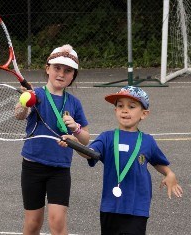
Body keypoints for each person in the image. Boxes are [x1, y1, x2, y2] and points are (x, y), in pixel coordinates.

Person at [81, 86, 183, 234]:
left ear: (144, 114)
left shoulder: (147, 141)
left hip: (137, 209)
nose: (125, 110)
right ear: (115, 110)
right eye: (120, 105)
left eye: (132, 106)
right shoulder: (107, 137)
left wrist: (170, 174)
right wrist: (74, 144)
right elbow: (89, 153)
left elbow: (159, 163)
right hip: (110, 207)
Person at [13, 44, 90, 235]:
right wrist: (24, 100)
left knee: (57, 223)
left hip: (60, 169)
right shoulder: (36, 95)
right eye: (57, 68)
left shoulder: (74, 103)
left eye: (68, 70)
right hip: (33, 167)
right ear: (47, 68)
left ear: (73, 76)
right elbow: (19, 115)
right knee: (32, 224)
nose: (61, 74)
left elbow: (86, 140)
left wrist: (75, 129)